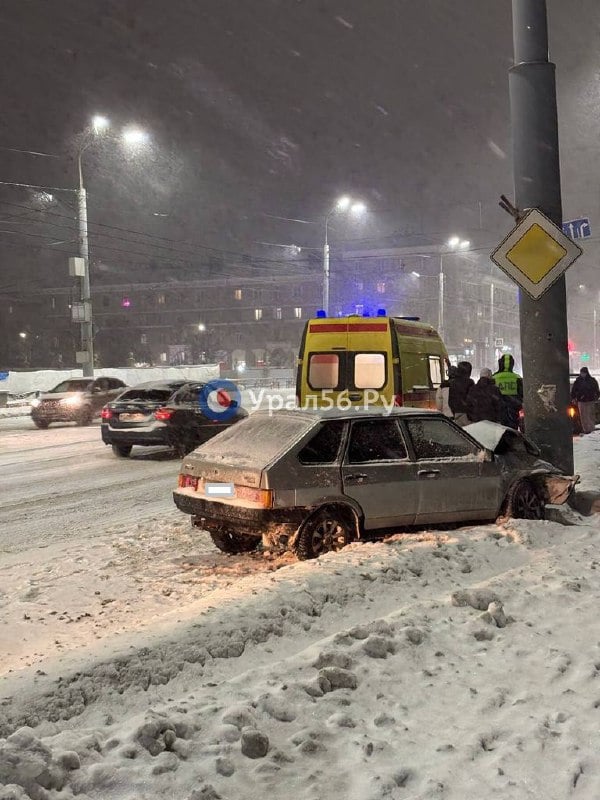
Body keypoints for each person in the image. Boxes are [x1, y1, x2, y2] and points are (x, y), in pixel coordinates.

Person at [492, 354, 523, 430]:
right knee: (512, 430)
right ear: (512, 364)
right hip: (514, 410)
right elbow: (522, 394)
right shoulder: (517, 378)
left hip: (498, 410)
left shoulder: (494, 377)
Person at [571, 366, 600, 434]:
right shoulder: (578, 381)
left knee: (590, 415)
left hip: (590, 400)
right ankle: (586, 430)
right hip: (581, 401)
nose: (582, 374)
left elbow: (596, 389)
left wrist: (597, 397)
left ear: (587, 373)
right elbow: (574, 390)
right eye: (581, 373)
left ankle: (591, 429)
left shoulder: (592, 380)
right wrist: (573, 398)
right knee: (583, 416)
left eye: (584, 373)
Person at [448, 361, 474, 427]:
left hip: (457, 414)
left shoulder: (453, 383)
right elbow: (472, 400)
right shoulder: (470, 382)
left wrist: (455, 412)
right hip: (467, 415)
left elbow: (450, 400)